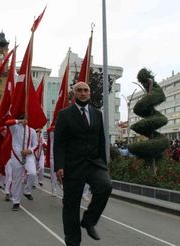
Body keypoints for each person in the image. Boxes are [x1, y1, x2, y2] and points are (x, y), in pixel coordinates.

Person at [54, 81, 112, 246]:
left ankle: (89, 220)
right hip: (73, 166)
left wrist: (104, 165)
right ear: (74, 94)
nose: (82, 93)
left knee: (105, 186)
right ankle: (73, 242)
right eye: (79, 90)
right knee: (71, 206)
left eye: (85, 90)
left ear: (89, 93)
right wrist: (59, 166)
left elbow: (101, 140)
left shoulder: (97, 114)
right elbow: (59, 143)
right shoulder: (64, 114)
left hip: (94, 163)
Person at [5, 117, 37, 211]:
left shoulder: (32, 131)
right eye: (22, 118)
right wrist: (19, 121)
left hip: (28, 156)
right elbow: (7, 122)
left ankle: (27, 191)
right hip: (16, 156)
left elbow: (35, 145)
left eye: (25, 118)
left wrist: (29, 150)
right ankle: (16, 202)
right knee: (17, 180)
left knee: (32, 173)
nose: (25, 120)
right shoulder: (14, 128)